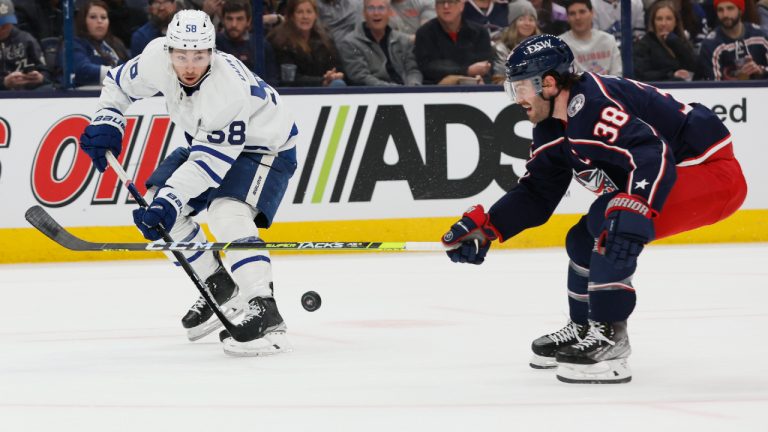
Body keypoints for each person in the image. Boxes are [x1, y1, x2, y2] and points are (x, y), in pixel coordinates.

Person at [441, 34, 747, 383]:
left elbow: (651, 152)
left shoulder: (592, 107)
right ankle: (585, 325)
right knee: (581, 239)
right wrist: (488, 227)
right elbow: (538, 192)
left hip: (710, 172)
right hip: (674, 172)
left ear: (550, 83)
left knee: (613, 221)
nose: (517, 99)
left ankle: (611, 340)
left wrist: (637, 208)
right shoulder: (551, 125)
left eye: (521, 88)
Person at [78, 10, 299, 357]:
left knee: (227, 212)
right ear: (169, 51)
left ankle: (265, 311)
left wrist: (172, 200)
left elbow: (209, 165)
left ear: (212, 51)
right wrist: (108, 119)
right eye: (181, 56)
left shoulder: (228, 92)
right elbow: (119, 84)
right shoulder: (154, 58)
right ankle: (219, 288)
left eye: (199, 55)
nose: (190, 65)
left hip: (265, 147)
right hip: (208, 142)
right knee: (155, 201)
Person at [338, 0, 423, 85]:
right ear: (364, 13)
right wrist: (396, 90)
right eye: (371, 8)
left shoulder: (403, 40)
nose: (376, 13)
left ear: (389, 12)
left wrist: (413, 87)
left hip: (408, 93)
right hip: (373, 94)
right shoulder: (350, 43)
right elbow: (360, 77)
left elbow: (413, 70)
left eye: (381, 8)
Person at [267, 0, 345, 87]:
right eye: (300, 12)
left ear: (315, 15)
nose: (305, 16)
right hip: (293, 93)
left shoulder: (325, 38)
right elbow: (290, 78)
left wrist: (333, 75)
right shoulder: (280, 40)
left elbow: (338, 67)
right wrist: (322, 81)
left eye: (309, 12)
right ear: (292, 16)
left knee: (338, 84)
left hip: (322, 89)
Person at [414, 0, 493, 84]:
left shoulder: (480, 33)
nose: (446, 6)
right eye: (441, 2)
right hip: (436, 90)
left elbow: (486, 67)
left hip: (476, 89)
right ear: (436, 7)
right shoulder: (424, 33)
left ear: (461, 6)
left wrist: (482, 81)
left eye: (451, 2)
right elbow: (427, 69)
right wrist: (467, 71)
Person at [698, 0, 768, 80]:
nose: (725, 14)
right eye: (720, 10)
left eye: (730, 8)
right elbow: (715, 86)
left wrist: (760, 71)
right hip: (727, 92)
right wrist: (736, 77)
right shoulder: (710, 44)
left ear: (741, 10)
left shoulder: (760, 36)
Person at [216, 0, 279, 86]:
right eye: (229, 19)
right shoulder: (212, 45)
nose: (234, 24)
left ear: (248, 21)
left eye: (239, 19)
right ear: (223, 20)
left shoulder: (262, 46)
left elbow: (272, 82)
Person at [634, 0, 697, 81]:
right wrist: (671, 75)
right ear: (653, 22)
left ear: (676, 22)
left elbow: (696, 67)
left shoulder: (681, 42)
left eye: (669, 18)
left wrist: (676, 44)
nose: (663, 23)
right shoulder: (643, 45)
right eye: (659, 19)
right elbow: (642, 74)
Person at [72, 0, 130, 87]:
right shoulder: (74, 43)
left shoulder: (116, 43)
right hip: (85, 97)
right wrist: (120, 75)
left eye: (103, 17)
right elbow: (83, 71)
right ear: (83, 21)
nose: (99, 21)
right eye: (93, 17)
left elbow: (129, 68)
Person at [559, 0, 622, 75]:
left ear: (592, 13)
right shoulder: (559, 45)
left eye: (582, 12)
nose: (578, 17)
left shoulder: (609, 40)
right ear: (567, 18)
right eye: (572, 13)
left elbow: (618, 75)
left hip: (608, 86)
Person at [0, 0, 50, 91]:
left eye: (5, 24)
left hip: (27, 95)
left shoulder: (26, 39)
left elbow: (45, 72)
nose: (2, 28)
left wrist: (40, 78)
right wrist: (4, 83)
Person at [492, 0, 540, 82]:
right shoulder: (501, 48)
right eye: (521, 19)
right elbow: (499, 78)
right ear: (513, 23)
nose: (527, 23)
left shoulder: (543, 45)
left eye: (531, 20)